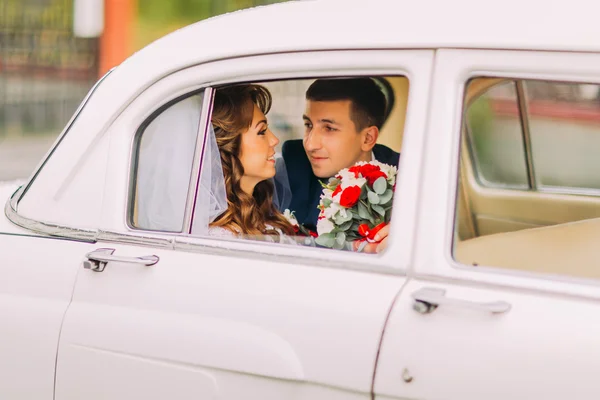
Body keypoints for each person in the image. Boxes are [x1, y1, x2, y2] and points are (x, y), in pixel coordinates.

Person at [281, 78, 400, 252]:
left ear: (368, 138)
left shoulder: (408, 173)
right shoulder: (294, 164)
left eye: (329, 128)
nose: (310, 144)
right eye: (308, 125)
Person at [204, 84, 297, 241]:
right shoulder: (220, 238)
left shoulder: (264, 214)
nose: (274, 140)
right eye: (261, 132)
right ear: (228, 146)